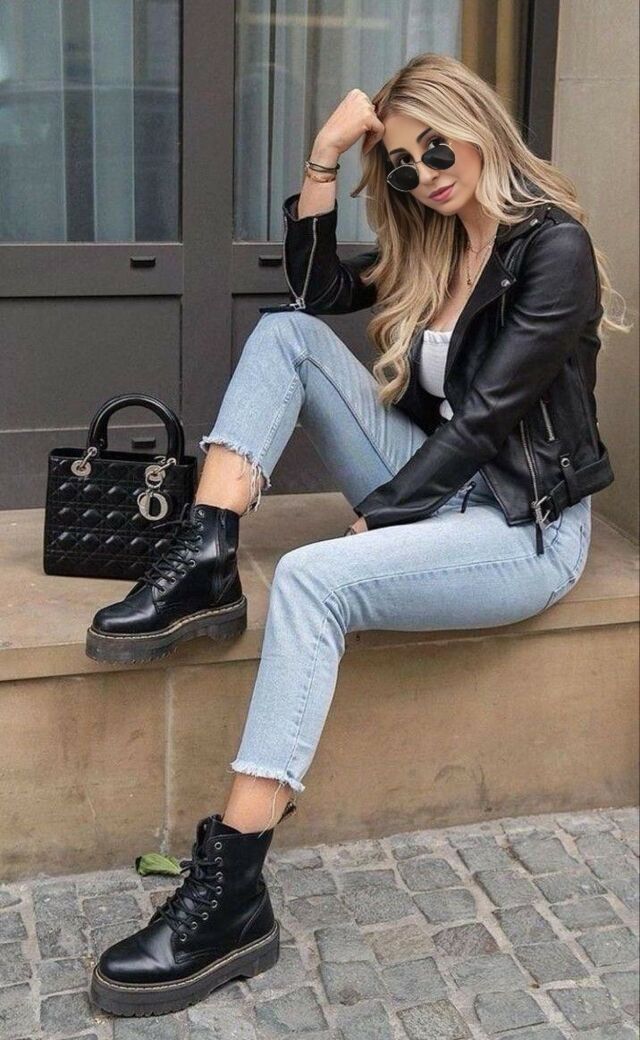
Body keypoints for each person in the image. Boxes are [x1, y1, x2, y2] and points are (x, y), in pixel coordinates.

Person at [88, 52, 629, 1018]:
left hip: (523, 525)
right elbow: (311, 288)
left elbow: (486, 420)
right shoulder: (437, 242)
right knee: (284, 335)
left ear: (476, 125)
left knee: (312, 579)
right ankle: (206, 553)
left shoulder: (552, 249)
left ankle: (233, 888)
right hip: (440, 487)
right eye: (406, 166)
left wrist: (384, 512)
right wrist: (325, 157)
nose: (426, 173)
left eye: (436, 148)